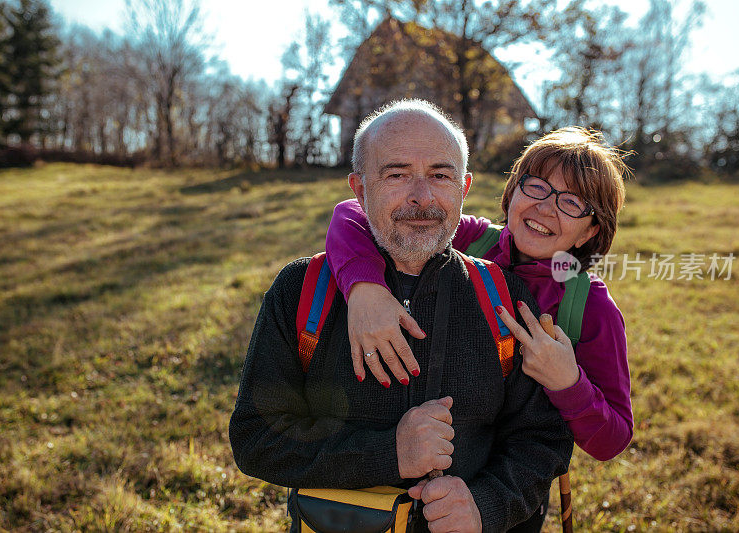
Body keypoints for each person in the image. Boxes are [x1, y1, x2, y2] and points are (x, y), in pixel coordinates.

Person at [229, 99, 572, 532]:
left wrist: (486, 505)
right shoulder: (302, 291)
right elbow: (256, 439)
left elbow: (543, 440)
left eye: (440, 175)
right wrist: (389, 454)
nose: (422, 197)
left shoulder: (504, 297)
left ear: (464, 189)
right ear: (359, 189)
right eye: (396, 174)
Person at [325, 127, 633, 465]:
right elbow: (353, 212)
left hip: (515, 479)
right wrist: (364, 288)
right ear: (513, 192)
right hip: (430, 445)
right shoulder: (472, 240)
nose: (546, 208)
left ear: (589, 231)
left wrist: (568, 382)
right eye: (537, 187)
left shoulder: (590, 307)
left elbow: (613, 440)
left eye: (572, 202)